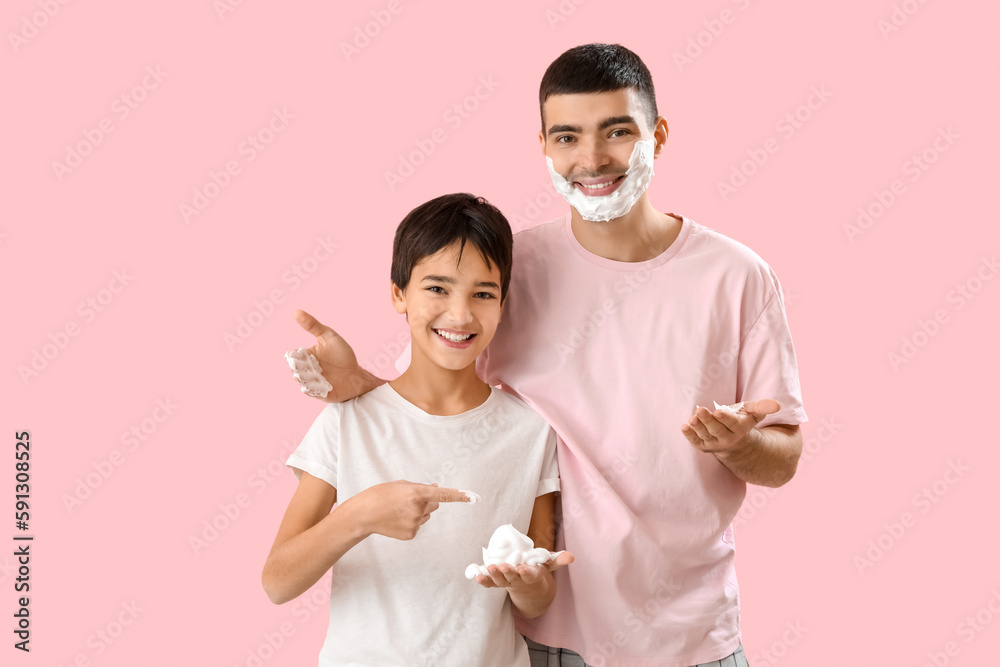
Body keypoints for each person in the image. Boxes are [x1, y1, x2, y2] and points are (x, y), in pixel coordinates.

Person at [289, 44, 807, 667]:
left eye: (617, 131)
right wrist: (362, 384)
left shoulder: (738, 277)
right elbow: (438, 405)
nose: (591, 159)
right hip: (549, 633)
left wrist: (739, 446)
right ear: (543, 146)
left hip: (693, 638)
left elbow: (782, 461)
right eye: (567, 137)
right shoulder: (509, 269)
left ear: (658, 135)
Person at [262, 193, 573, 667]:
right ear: (398, 294)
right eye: (437, 288)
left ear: (503, 304)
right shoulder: (349, 419)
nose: (460, 314)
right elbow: (278, 582)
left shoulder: (530, 432)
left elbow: (538, 593)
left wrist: (529, 584)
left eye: (483, 294)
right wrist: (360, 515)